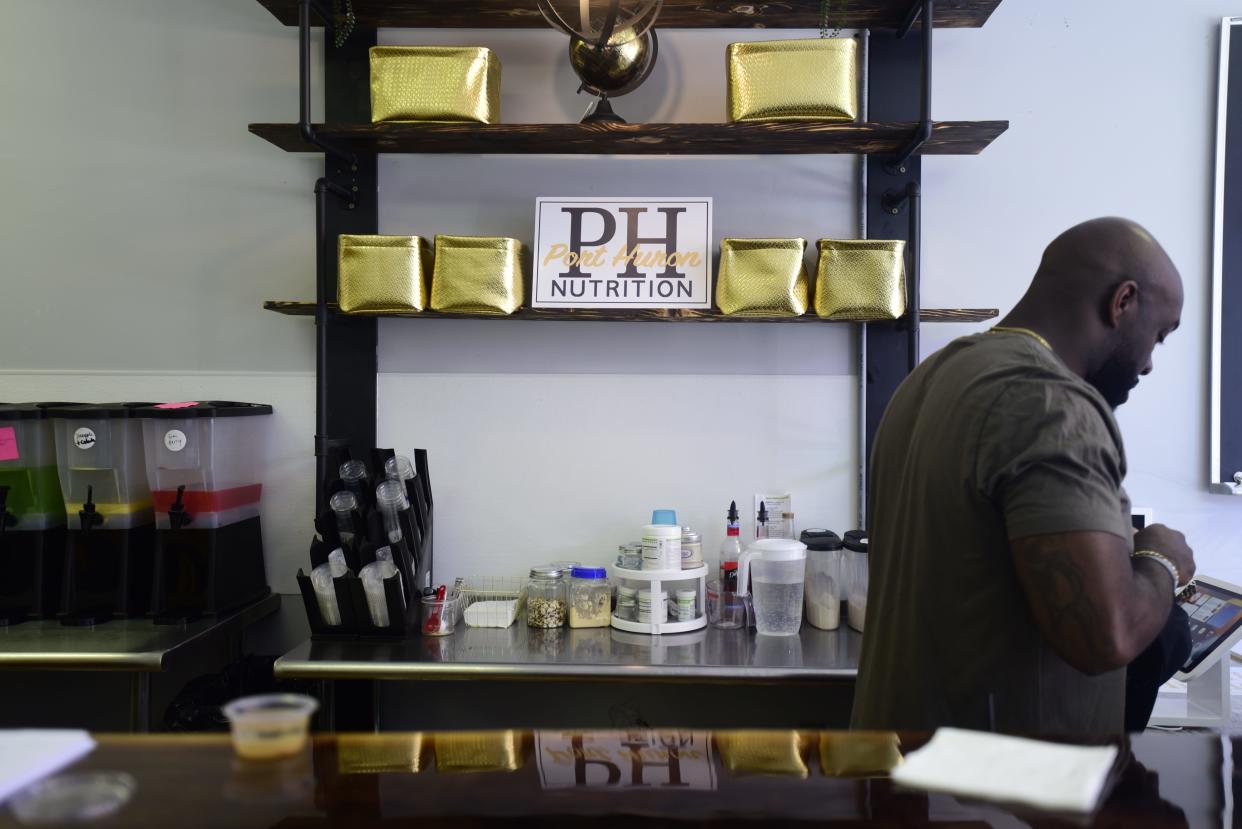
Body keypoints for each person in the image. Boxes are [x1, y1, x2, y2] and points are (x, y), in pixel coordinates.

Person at [850, 217, 1195, 735]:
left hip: (905, 770)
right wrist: (1161, 561)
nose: (1148, 364)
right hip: (998, 799)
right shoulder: (1050, 403)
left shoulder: (935, 375)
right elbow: (1106, 636)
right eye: (1159, 337)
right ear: (1122, 302)